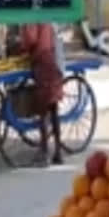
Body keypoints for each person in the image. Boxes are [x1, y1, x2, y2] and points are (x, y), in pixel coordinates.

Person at [20, 23, 64, 165]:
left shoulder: (33, 19)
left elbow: (31, 40)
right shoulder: (48, 19)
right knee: (54, 109)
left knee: (43, 111)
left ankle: (44, 153)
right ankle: (58, 152)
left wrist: (22, 39)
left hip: (42, 64)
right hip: (54, 62)